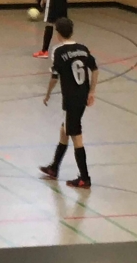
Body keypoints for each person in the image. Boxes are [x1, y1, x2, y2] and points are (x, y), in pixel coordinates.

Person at [41, 18, 98, 189]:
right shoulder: (83, 49)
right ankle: (54, 168)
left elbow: (54, 77)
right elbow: (95, 69)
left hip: (71, 99)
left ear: (58, 33)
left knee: (76, 136)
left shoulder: (58, 51)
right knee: (65, 129)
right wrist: (92, 91)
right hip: (82, 97)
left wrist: (48, 94)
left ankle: (84, 178)